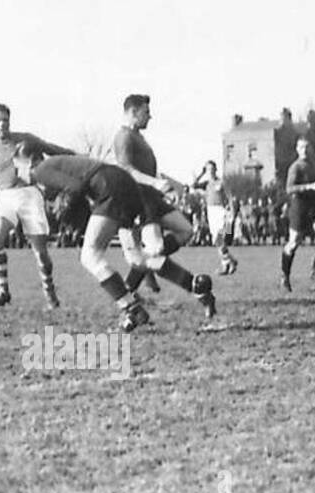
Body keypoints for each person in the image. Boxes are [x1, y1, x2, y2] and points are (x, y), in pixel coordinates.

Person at [15, 145, 216, 330]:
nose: (19, 175)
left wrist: (68, 209)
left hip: (109, 187)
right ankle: (195, 284)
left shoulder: (39, 170)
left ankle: (131, 308)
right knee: (139, 259)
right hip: (123, 185)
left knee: (90, 256)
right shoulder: (58, 163)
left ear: (30, 162)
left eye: (18, 168)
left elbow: (75, 188)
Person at [0, 103, 72, 309]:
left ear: (10, 121)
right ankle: (3, 290)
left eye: (5, 120)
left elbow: (51, 149)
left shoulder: (25, 140)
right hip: (4, 196)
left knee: (40, 250)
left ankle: (50, 292)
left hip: (28, 195)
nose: (2, 124)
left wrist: (75, 157)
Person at [115, 94, 197, 295]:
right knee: (155, 251)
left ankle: (141, 270)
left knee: (186, 230)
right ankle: (192, 285)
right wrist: (156, 183)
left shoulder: (138, 137)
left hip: (153, 199)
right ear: (133, 112)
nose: (150, 117)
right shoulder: (124, 137)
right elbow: (127, 170)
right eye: (146, 112)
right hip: (138, 201)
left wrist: (167, 187)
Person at [279, 136, 315, 291]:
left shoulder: (313, 166)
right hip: (299, 207)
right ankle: (285, 276)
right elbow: (289, 189)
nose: (304, 150)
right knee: (293, 242)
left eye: (306, 147)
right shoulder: (295, 167)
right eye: (301, 147)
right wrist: (309, 187)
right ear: (297, 149)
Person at [192, 160, 238, 274]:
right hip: (211, 213)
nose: (210, 172)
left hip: (221, 212)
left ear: (215, 170)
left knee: (220, 238)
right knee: (216, 241)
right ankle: (230, 261)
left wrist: (232, 211)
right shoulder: (207, 183)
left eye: (212, 169)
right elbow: (193, 185)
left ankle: (226, 265)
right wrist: (201, 174)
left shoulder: (221, 182)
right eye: (208, 170)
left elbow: (230, 197)